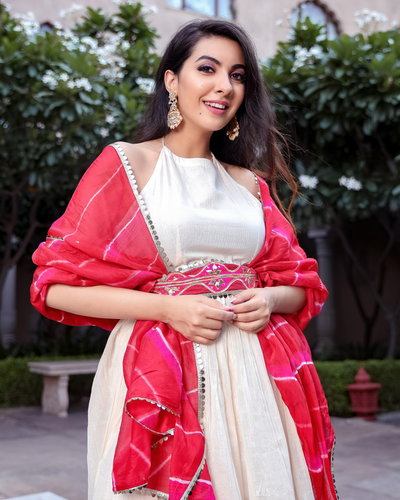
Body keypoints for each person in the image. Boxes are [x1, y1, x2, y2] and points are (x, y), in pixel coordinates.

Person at [31, 19, 338, 500]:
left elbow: (301, 285)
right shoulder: (127, 164)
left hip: (258, 378)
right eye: (208, 69)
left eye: (237, 75)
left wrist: (270, 298)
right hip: (160, 375)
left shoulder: (249, 184)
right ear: (172, 80)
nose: (225, 86)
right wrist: (168, 308)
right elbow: (54, 287)